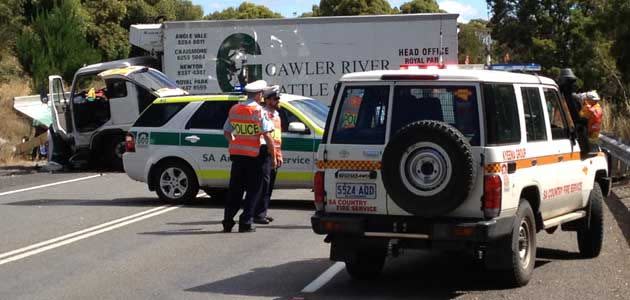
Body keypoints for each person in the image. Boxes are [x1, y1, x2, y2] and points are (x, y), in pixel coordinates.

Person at [222, 80, 277, 233]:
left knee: (235, 190)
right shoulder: (259, 111)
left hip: (237, 156)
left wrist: (235, 142)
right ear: (259, 95)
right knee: (254, 190)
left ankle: (227, 221)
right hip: (255, 156)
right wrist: (273, 156)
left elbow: (227, 132)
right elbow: (267, 136)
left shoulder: (235, 109)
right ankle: (245, 221)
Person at [254, 85, 283, 224]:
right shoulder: (263, 113)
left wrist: (278, 154)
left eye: (278, 98)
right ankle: (258, 214)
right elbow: (266, 136)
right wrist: (272, 153)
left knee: (269, 184)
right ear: (267, 100)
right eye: (275, 98)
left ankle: (262, 212)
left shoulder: (276, 114)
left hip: (274, 150)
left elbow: (276, 137)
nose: (278, 101)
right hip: (265, 150)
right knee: (263, 184)